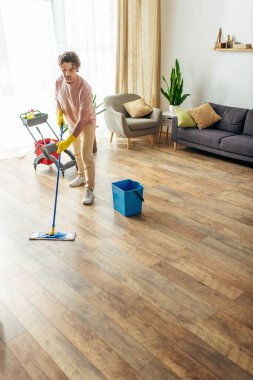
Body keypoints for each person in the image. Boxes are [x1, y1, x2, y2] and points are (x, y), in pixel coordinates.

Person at [55, 51, 96, 205]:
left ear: (77, 68)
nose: (67, 73)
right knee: (77, 152)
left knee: (86, 155)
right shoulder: (59, 82)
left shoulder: (84, 88)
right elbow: (57, 100)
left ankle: (90, 189)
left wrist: (68, 139)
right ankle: (81, 175)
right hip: (72, 120)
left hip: (86, 123)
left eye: (70, 69)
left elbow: (83, 118)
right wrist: (59, 113)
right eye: (64, 69)